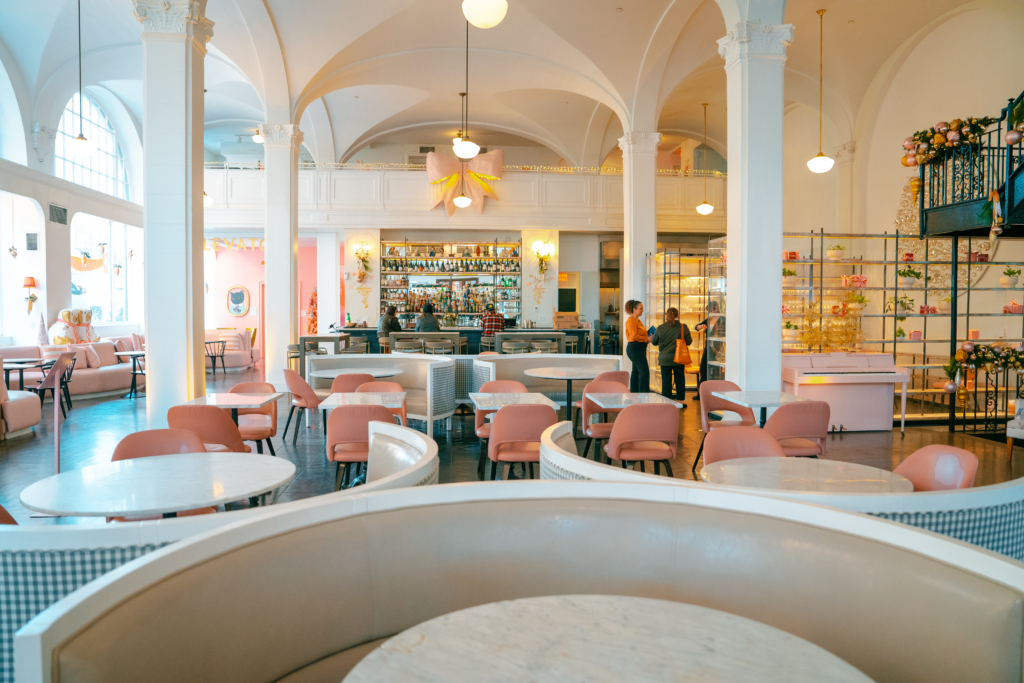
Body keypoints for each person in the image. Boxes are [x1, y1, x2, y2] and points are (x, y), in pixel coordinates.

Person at [650, 307, 692, 404]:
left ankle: (666, 401)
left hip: (664, 359)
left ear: (666, 316)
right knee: (680, 379)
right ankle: (681, 401)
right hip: (679, 358)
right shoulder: (683, 327)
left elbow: (654, 342)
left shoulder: (660, 328)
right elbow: (689, 342)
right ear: (678, 315)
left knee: (666, 381)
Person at [693, 301, 723, 398]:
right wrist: (701, 326)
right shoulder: (709, 319)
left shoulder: (722, 319)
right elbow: (696, 326)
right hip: (708, 347)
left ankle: (715, 393)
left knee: (716, 370)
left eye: (711, 310)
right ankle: (701, 393)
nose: (709, 312)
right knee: (703, 369)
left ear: (716, 308)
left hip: (718, 348)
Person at [623, 299, 650, 393]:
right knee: (644, 372)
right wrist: (646, 339)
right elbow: (634, 336)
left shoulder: (637, 320)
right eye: (640, 308)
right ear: (634, 309)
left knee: (636, 371)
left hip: (640, 348)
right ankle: (644, 396)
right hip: (634, 349)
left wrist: (648, 336)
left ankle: (634, 394)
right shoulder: (631, 321)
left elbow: (641, 334)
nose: (642, 310)